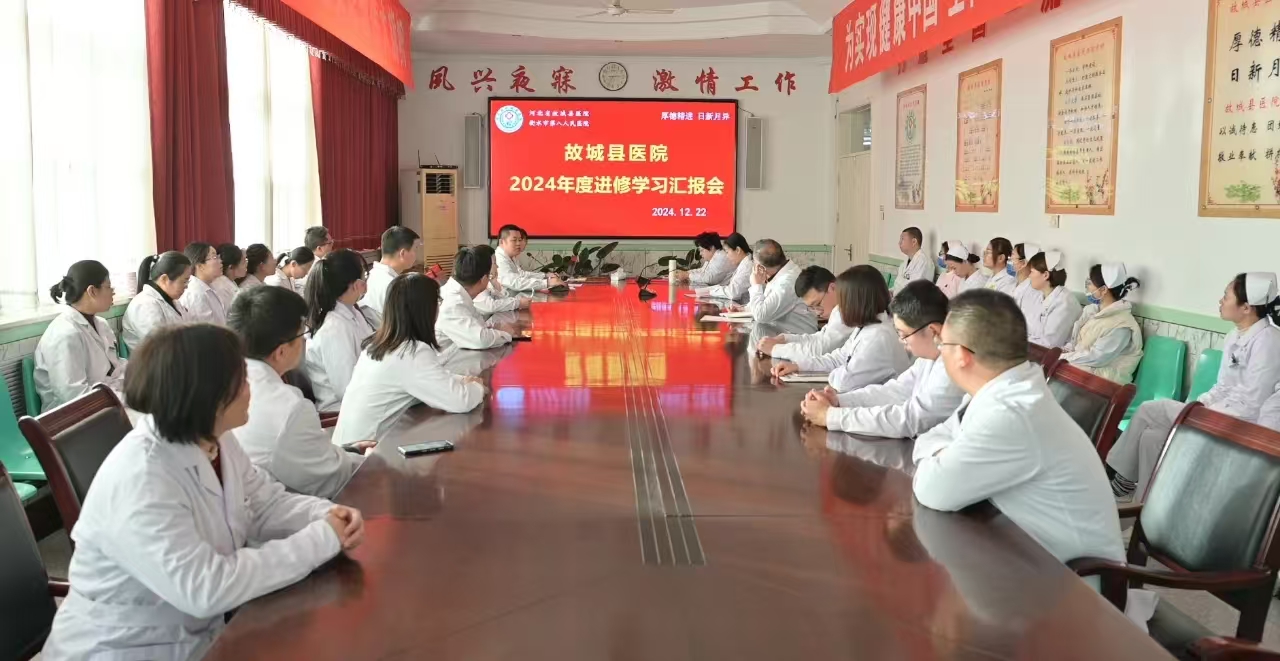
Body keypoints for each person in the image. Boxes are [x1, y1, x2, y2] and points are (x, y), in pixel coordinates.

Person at [41, 324, 364, 659]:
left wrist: (325, 514)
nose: (250, 390)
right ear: (207, 397)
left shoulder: (215, 438)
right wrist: (321, 539)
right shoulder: (142, 477)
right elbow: (207, 587)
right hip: (124, 649)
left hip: (196, 634)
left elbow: (264, 502)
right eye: (241, 381)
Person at [911, 289, 1125, 566]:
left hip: (1071, 582)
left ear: (962, 354)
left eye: (942, 345)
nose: (940, 351)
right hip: (1021, 550)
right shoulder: (1003, 390)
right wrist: (942, 455)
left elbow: (933, 489)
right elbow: (932, 437)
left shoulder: (1012, 413)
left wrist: (941, 457)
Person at [1107, 272, 1280, 502]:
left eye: (1226, 296)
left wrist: (1204, 414)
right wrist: (1201, 403)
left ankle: (1121, 481)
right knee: (1152, 438)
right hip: (1217, 415)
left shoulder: (1269, 342)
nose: (1220, 301)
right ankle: (1143, 503)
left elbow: (1252, 404)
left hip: (1239, 426)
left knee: (1148, 409)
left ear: (1246, 307)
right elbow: (1222, 386)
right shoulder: (1234, 336)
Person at [229, 286, 370, 499]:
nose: (305, 340)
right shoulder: (287, 407)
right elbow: (331, 479)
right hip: (283, 507)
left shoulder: (229, 380)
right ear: (281, 352)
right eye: (302, 333)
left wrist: (347, 451)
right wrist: (372, 460)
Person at [333, 274, 488, 445]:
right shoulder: (410, 352)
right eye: (437, 301)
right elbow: (461, 401)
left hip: (349, 446)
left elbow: (431, 377)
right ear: (425, 309)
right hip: (366, 452)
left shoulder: (380, 344)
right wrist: (478, 387)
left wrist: (462, 380)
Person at [800, 280, 965, 438]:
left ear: (933, 331)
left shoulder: (953, 368)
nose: (901, 341)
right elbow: (896, 391)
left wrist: (831, 417)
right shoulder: (929, 358)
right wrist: (839, 401)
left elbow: (911, 420)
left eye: (904, 335)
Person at [770, 265, 910, 391]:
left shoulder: (879, 336)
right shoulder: (864, 328)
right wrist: (799, 366)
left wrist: (840, 369)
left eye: (843, 300)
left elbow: (845, 381)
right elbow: (838, 358)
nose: (839, 308)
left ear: (858, 302)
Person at [34, 260, 126, 411]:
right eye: (108, 286)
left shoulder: (101, 324)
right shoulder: (65, 334)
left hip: (106, 401)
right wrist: (123, 399)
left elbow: (115, 367)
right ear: (92, 291)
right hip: (73, 415)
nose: (113, 292)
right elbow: (73, 396)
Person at [303, 249, 377, 413]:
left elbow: (372, 349)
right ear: (356, 284)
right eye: (364, 276)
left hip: (362, 399)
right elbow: (346, 389)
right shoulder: (334, 328)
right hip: (339, 412)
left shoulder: (352, 311)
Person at [1062, 263, 1144, 385]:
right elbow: (1076, 340)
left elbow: (1097, 359)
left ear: (1104, 289)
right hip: (1083, 371)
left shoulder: (1122, 325)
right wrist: (1065, 352)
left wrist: (1064, 358)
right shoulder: (1092, 311)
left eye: (1090, 283)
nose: (1087, 286)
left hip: (1105, 383)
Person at [757, 266, 854, 359]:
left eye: (818, 304)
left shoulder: (848, 309)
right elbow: (820, 338)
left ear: (832, 288)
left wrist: (776, 349)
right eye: (812, 307)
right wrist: (785, 339)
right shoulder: (838, 309)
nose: (817, 313)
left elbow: (823, 348)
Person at [437, 247, 518, 350]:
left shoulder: (458, 293)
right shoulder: (454, 302)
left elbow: (476, 324)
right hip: (445, 357)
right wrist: (507, 334)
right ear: (484, 279)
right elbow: (481, 340)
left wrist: (492, 327)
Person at [730, 239, 818, 332]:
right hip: (779, 333)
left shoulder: (787, 282)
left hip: (797, 336)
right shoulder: (780, 274)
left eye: (754, 263)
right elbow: (766, 303)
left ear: (760, 267)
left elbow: (761, 315)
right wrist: (743, 310)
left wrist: (756, 285)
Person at [123, 251, 191, 351]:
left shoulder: (172, 301)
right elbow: (160, 346)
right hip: (156, 359)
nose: (187, 286)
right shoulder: (145, 305)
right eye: (184, 281)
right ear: (164, 279)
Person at [360, 226, 422, 325]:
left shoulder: (372, 275)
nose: (416, 254)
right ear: (403, 253)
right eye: (416, 248)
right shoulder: (395, 286)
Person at [1025, 249, 1080, 348]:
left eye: (1032, 272)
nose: (1029, 276)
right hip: (1032, 348)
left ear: (1045, 275)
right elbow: (1029, 326)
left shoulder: (1065, 303)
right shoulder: (1040, 295)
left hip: (1054, 354)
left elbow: (1050, 344)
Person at [494, 224, 563, 292]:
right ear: (501, 242)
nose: (518, 243)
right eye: (514, 240)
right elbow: (514, 282)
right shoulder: (498, 259)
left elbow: (521, 275)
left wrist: (545, 276)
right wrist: (547, 283)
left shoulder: (510, 257)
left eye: (520, 240)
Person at [471, 244, 531, 315]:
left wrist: (495, 283)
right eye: (494, 263)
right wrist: (518, 303)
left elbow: (503, 299)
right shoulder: (477, 284)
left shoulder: (489, 282)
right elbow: (491, 307)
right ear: (485, 265)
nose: (497, 266)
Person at [694, 232, 754, 302]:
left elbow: (733, 293)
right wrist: (710, 290)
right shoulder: (744, 263)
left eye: (727, 252)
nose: (727, 256)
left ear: (738, 250)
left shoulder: (747, 266)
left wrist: (710, 292)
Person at [178, 242, 226, 325]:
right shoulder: (196, 294)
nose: (220, 261)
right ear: (200, 266)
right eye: (215, 257)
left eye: (218, 257)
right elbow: (205, 330)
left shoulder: (209, 286)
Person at [893, 226, 935, 295]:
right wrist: (890, 292)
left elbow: (914, 290)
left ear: (914, 242)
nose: (899, 243)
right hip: (900, 299)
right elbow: (897, 285)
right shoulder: (906, 261)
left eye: (902, 239)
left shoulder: (923, 261)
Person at [1010, 242, 1042, 325]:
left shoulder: (1034, 291)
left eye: (1012, 256)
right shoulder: (1014, 282)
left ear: (1024, 263)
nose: (1009, 260)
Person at [212, 243, 245, 310]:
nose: (246, 265)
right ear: (231, 267)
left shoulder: (230, 282)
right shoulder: (222, 288)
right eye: (243, 262)